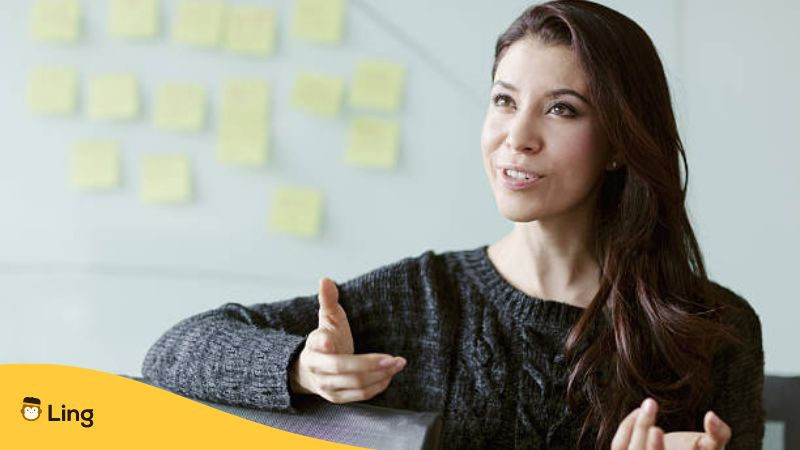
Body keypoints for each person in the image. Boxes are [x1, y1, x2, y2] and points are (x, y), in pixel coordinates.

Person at [142, 1, 764, 448]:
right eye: (504, 100)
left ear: (620, 142)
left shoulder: (717, 329)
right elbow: (171, 352)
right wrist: (302, 370)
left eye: (562, 110)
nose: (517, 138)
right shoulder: (421, 301)